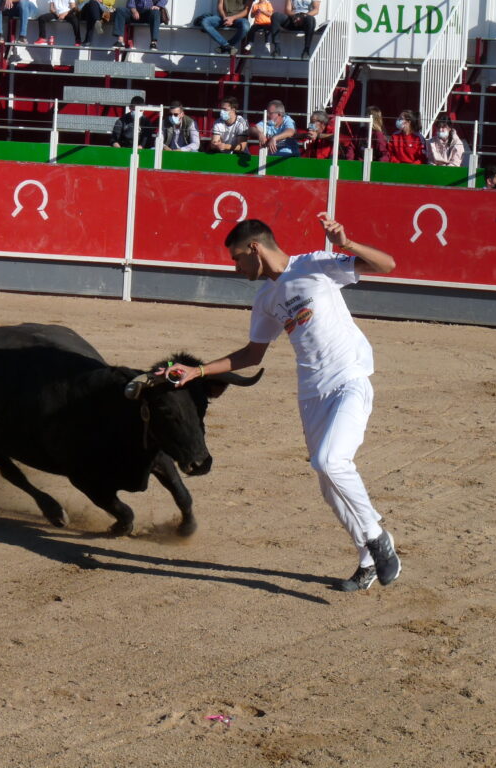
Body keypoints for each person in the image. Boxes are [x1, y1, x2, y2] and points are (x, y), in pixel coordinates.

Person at [162, 215, 401, 592]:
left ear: (255, 248)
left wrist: (347, 242)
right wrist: (199, 372)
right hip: (311, 394)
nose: (236, 266)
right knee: (328, 484)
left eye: (237, 257)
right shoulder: (266, 299)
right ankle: (368, 557)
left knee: (330, 461)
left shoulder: (315, 264)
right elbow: (252, 354)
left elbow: (386, 264)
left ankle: (376, 535)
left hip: (349, 380)